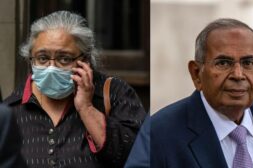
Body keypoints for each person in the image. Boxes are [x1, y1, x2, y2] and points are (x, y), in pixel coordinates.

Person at [4, 11, 146, 168]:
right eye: (42, 58)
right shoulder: (11, 109)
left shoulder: (114, 94)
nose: (51, 68)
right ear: (30, 58)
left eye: (64, 58)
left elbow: (139, 157)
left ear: (85, 60)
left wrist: (86, 108)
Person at [151, 18, 253, 168]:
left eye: (248, 63)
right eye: (223, 63)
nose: (238, 75)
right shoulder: (159, 134)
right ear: (196, 73)